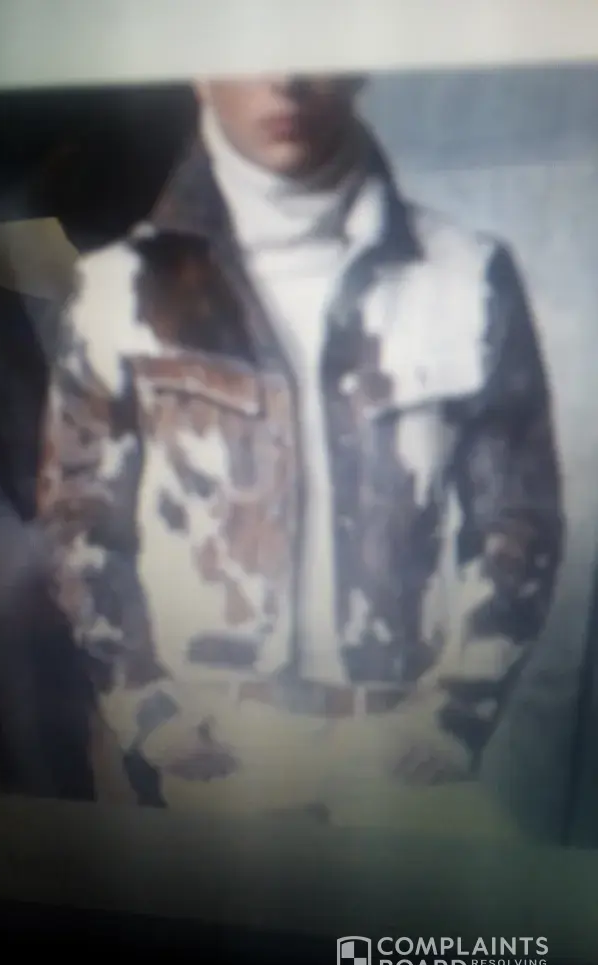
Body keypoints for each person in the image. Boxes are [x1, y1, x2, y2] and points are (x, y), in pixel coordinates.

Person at [36, 75, 564, 819]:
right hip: (205, 747)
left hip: (398, 752)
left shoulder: (468, 275)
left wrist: (456, 715)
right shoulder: (113, 290)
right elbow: (80, 519)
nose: (285, 78)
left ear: (357, 65)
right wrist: (149, 716)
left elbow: (519, 517)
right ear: (199, 71)